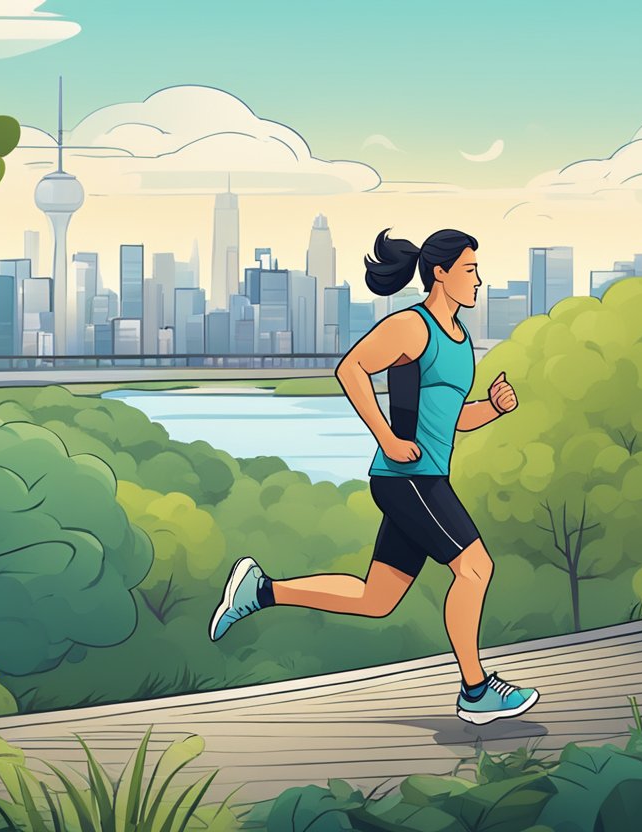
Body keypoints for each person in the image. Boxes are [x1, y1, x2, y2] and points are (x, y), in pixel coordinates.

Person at [209, 228, 539, 724]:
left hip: (424, 477)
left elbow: (449, 418)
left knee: (376, 598)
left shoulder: (460, 339)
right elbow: (351, 369)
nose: (478, 281)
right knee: (475, 568)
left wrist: (492, 408)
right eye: (470, 270)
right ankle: (475, 691)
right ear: (440, 273)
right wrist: (386, 438)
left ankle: (261, 590)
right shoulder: (412, 326)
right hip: (409, 478)